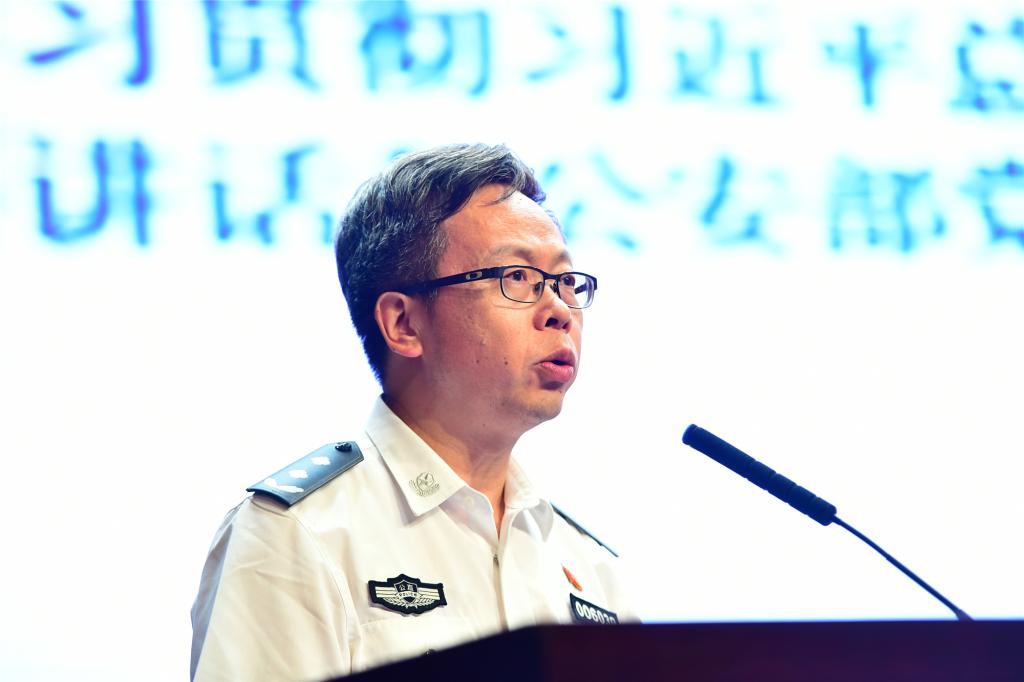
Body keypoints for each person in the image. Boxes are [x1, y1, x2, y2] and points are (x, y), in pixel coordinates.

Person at [190, 143, 635, 681]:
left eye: (565, 282)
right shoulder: (297, 534)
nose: (559, 310)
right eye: (516, 278)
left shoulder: (588, 565)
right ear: (402, 324)